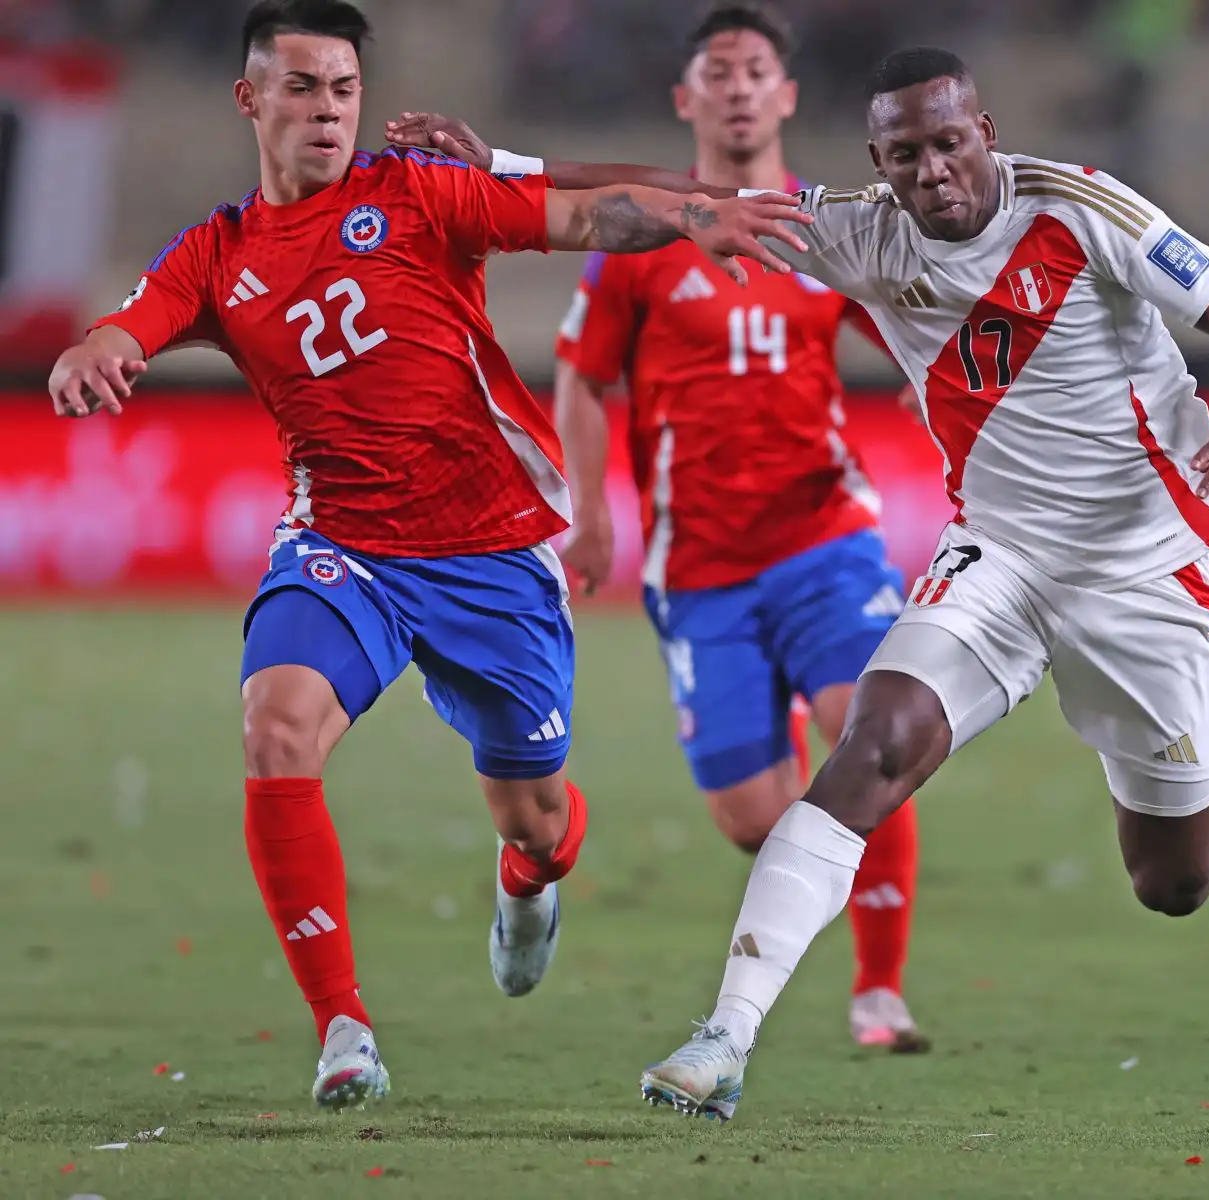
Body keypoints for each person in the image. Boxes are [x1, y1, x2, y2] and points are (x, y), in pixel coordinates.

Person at [439, 44, 1209, 1121]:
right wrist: (504, 163)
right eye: (906, 154)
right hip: (1000, 558)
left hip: (1139, 568)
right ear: (876, 161)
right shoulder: (854, 229)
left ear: (985, 132)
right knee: (873, 744)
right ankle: (725, 1037)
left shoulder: (1082, 208)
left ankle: (1201, 806)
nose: (933, 171)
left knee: (1171, 886)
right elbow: (692, 199)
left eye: (949, 143)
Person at [43, 0, 807, 1112]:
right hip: (341, 542)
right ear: (251, 99)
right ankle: (342, 1025)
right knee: (276, 727)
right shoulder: (216, 253)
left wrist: (690, 218)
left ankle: (529, 878)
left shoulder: (413, 192)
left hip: (493, 553)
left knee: (535, 818)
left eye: (343, 90)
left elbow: (588, 217)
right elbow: (131, 323)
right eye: (302, 87)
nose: (327, 111)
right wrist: (91, 355)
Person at [389, 2, 931, 1052]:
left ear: (787, 96)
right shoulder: (643, 235)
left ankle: (879, 990)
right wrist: (590, 514)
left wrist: (933, 387)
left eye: (756, 68)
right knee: (750, 818)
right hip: (702, 570)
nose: (737, 85)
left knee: (871, 732)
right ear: (687, 99)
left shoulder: (820, 232)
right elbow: (584, 380)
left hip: (825, 538)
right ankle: (810, 879)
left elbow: (910, 326)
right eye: (717, 70)